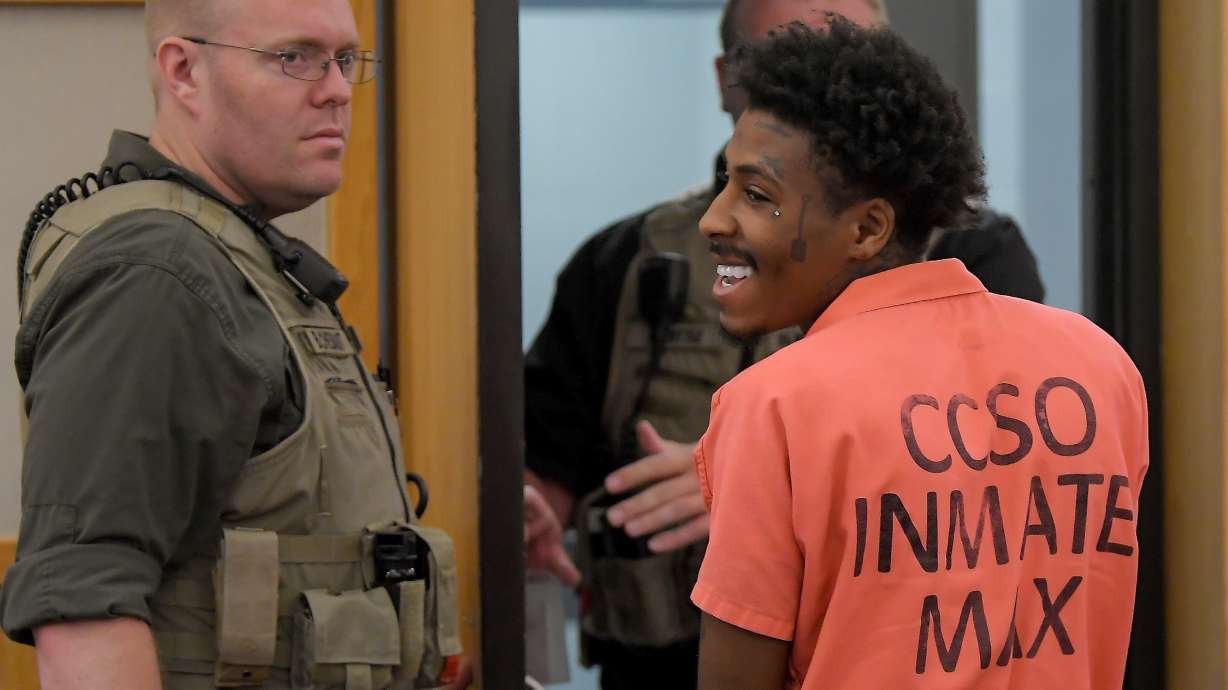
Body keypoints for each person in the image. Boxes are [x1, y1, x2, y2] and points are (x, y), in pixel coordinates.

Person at [522, 1, 1044, 688]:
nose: (827, 81)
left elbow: (1009, 480)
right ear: (724, 80)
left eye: (851, 54)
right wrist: (520, 515)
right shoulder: (626, 262)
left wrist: (754, 487)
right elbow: (543, 471)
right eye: (783, 59)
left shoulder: (975, 258)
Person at [0, 1, 464, 689]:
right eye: (294, 57)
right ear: (184, 70)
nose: (336, 88)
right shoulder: (155, 273)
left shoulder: (233, 257)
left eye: (344, 59)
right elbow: (82, 606)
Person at [691, 19, 1148, 689]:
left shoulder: (775, 404)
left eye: (757, 195)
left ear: (868, 228)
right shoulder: (1101, 366)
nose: (712, 218)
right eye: (726, 183)